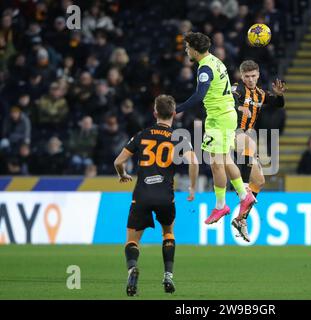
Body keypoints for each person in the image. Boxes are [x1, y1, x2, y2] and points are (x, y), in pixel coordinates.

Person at [113, 95, 199, 296]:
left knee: (132, 241)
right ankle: (168, 275)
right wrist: (193, 188)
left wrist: (123, 175)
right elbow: (194, 162)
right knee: (168, 233)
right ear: (174, 114)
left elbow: (118, 161)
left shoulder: (142, 135)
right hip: (165, 196)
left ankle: (133, 268)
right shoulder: (179, 138)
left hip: (142, 195)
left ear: (155, 113)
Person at [176, 32, 256, 225]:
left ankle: (221, 206)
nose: (186, 50)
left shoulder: (204, 68)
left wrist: (176, 110)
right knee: (226, 159)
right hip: (227, 115)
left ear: (195, 49)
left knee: (216, 163)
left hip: (219, 119)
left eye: (187, 47)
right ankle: (244, 196)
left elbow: (199, 96)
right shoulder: (216, 61)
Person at [231, 60, 286, 241]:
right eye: (247, 76)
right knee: (249, 140)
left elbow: (278, 104)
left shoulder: (260, 94)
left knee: (260, 181)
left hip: (245, 138)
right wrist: (238, 107)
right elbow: (230, 100)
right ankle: (243, 189)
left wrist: (279, 96)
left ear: (258, 75)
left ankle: (241, 218)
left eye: (253, 76)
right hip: (230, 134)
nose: (251, 79)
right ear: (241, 76)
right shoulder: (237, 89)